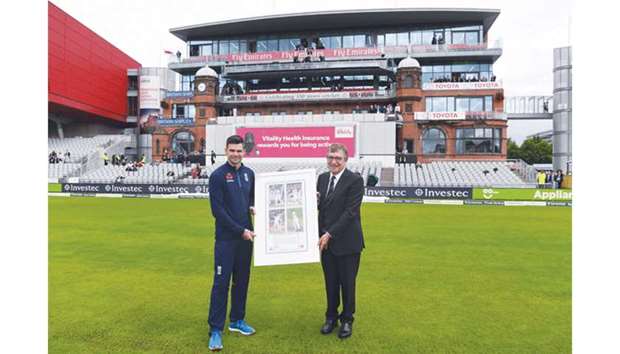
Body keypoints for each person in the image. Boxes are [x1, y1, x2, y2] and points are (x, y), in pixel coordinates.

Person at [207, 135, 256, 351]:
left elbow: (252, 201)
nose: (236, 154)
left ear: (244, 151)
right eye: (232, 150)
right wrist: (240, 230)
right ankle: (215, 330)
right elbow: (217, 211)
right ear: (226, 150)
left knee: (242, 281)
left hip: (246, 240)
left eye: (239, 150)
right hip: (227, 240)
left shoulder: (249, 174)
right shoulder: (218, 176)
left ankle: (237, 320)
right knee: (221, 284)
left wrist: (255, 208)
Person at [316, 143, 365, 339]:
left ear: (345, 160)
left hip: (347, 243)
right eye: (330, 157)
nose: (333, 161)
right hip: (326, 244)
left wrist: (329, 234)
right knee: (330, 283)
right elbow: (320, 208)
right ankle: (330, 317)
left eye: (337, 158)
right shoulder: (321, 179)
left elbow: (350, 213)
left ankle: (347, 320)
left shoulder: (355, 180)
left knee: (347, 283)